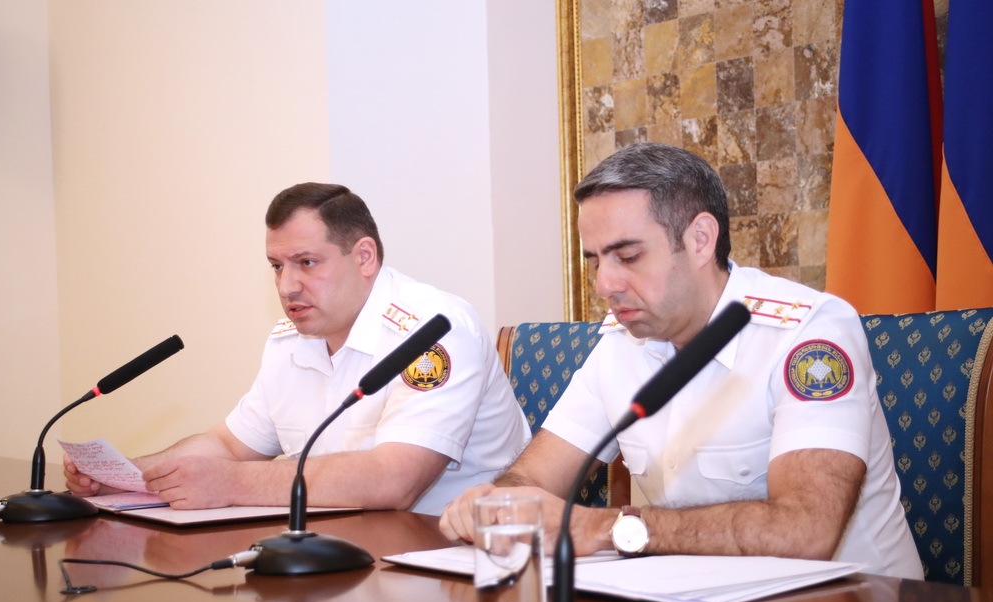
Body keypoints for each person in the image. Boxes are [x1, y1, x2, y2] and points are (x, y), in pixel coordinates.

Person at [439, 143, 923, 578]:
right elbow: (536, 476)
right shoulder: (621, 343)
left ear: (700, 240)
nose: (604, 284)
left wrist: (603, 528)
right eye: (595, 261)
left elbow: (805, 531)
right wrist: (501, 501)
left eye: (628, 256)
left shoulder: (808, 333)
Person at [64, 183, 529, 516]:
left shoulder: (433, 332)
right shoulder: (292, 338)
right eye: (276, 266)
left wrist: (233, 484)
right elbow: (229, 445)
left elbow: (395, 480)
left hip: (450, 557)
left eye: (306, 263)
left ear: (364, 257)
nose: (287, 286)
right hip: (343, 547)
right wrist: (128, 475)